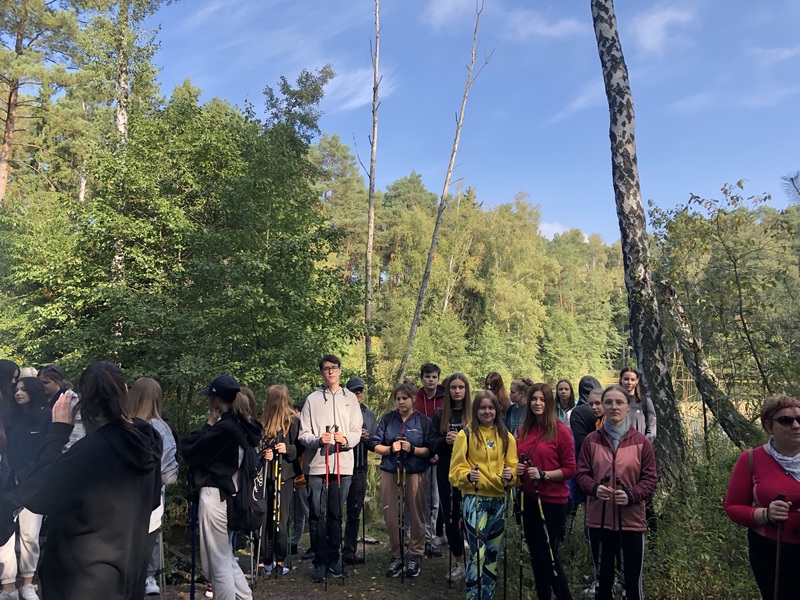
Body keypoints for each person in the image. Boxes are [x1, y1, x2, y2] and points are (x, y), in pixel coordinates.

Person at [17, 361, 162, 600]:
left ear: (82, 401)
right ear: (125, 391)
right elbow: (153, 503)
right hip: (127, 576)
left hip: (80, 580)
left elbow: (34, 495)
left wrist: (57, 434)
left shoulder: (87, 453)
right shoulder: (149, 441)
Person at [182, 374, 262, 600]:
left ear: (217, 401)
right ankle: (244, 597)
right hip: (230, 495)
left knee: (218, 562)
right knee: (224, 554)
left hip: (215, 495)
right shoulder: (242, 425)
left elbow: (190, 449)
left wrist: (209, 421)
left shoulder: (223, 429)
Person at [576, 385, 657, 600]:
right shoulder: (591, 440)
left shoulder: (642, 442)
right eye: (609, 402)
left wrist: (631, 495)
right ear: (603, 406)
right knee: (603, 581)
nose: (614, 407)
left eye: (619, 402)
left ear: (628, 406)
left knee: (632, 583)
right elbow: (581, 474)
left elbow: (650, 480)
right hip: (599, 520)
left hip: (631, 521)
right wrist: (594, 488)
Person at [724, 394, 800, 600]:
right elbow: (732, 507)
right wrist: (766, 514)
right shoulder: (751, 459)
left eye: (799, 419)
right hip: (772, 552)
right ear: (769, 426)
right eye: (786, 420)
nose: (796, 425)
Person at [298, 355, 363, 583]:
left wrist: (345, 439)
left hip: (343, 464)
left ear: (340, 371)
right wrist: (318, 439)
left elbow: (356, 430)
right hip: (317, 464)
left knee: (336, 513)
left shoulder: (350, 399)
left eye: (334, 368)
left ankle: (334, 559)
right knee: (317, 514)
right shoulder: (312, 399)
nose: (331, 372)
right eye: (326, 369)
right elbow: (303, 434)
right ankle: (319, 561)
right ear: (321, 373)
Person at [449, 390, 517, 600]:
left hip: (499, 499)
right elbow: (455, 471)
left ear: (497, 410)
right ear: (475, 410)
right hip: (475, 498)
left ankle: (486, 595)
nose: (487, 412)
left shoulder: (507, 437)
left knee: (492, 553)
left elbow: (513, 469)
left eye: (491, 408)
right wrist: (467, 475)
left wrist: (511, 475)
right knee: (478, 552)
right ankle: (473, 595)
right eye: (482, 408)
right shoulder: (466, 435)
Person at [515, 383, 575, 600]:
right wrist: (518, 469)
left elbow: (570, 469)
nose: (537, 403)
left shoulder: (561, 431)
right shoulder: (523, 430)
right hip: (528, 499)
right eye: (534, 399)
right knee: (536, 556)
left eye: (542, 399)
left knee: (549, 557)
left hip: (552, 502)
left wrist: (544, 474)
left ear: (549, 402)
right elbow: (518, 459)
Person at [126, 377, 180, 598]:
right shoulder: (161, 429)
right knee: (150, 538)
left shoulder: (122, 426)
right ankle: (148, 577)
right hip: (151, 498)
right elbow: (169, 476)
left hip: (122, 497)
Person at [371, 381, 431, 578]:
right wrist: (390, 449)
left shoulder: (423, 421)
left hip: (415, 472)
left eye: (404, 398)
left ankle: (415, 555)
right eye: (398, 399)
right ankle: (396, 554)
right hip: (390, 470)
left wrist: (412, 449)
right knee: (391, 514)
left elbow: (430, 449)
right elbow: (374, 444)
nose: (401, 402)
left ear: (413, 399)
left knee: (416, 514)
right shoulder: (388, 419)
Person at [3, 377, 51, 600]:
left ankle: (28, 583)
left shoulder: (46, 417)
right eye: (16, 389)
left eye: (23, 389)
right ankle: (8, 586)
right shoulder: (10, 418)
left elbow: (46, 453)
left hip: (33, 484)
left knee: (30, 535)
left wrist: (24, 475)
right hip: (7, 485)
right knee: (5, 535)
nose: (18, 393)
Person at [431, 373, 471, 582]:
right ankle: (460, 562)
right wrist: (444, 440)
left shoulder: (474, 412)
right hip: (446, 469)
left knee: (470, 515)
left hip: (470, 470)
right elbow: (430, 443)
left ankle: (476, 562)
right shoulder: (441, 413)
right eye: (453, 387)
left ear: (466, 390)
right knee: (450, 517)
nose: (457, 391)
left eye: (460, 387)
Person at [257, 384, 299, 578]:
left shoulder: (293, 422)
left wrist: (287, 449)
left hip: (284, 477)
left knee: (281, 519)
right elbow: (255, 448)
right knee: (264, 518)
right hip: (266, 476)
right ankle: (263, 559)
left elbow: (300, 448)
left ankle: (280, 560)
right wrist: (263, 454)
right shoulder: (262, 424)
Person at [342, 377, 376, 566]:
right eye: (354, 391)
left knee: (355, 510)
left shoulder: (369, 415)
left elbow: (375, 442)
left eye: (360, 391)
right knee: (335, 510)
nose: (358, 394)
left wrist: (366, 438)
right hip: (341, 466)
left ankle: (349, 551)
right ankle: (329, 549)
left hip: (360, 467)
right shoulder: (341, 412)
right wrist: (354, 436)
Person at [414, 363, 445, 556]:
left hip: (438, 453)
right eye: (427, 377)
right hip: (418, 452)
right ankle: (415, 536)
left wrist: (437, 451)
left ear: (438, 379)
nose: (431, 380)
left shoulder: (445, 399)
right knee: (417, 498)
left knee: (434, 500)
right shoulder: (416, 398)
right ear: (422, 378)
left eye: (434, 377)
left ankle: (431, 538)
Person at [618, 368, 656, 443]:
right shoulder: (613, 402)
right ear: (620, 380)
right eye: (626, 379)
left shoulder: (645, 402)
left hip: (638, 445)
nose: (629, 382)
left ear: (637, 381)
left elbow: (652, 428)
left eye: (632, 380)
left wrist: (644, 444)